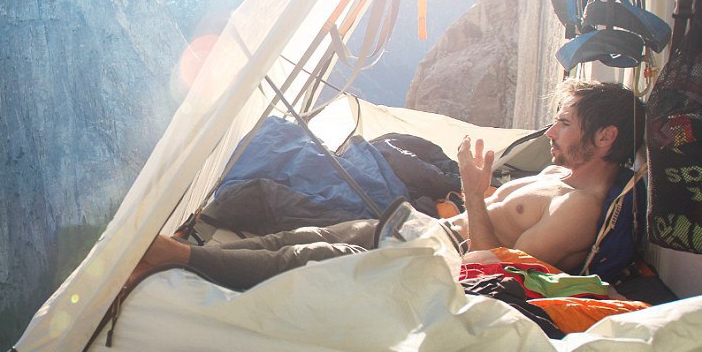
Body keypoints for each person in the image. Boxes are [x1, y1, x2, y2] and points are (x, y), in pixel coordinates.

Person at [134, 79, 646, 290]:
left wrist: (472, 191)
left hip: (437, 258)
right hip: (422, 228)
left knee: (303, 261)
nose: (552, 133)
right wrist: (481, 189)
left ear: (604, 138)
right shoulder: (558, 173)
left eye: (564, 124)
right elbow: (494, 218)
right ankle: (171, 254)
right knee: (297, 238)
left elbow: (491, 275)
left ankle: (170, 258)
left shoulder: (580, 209)